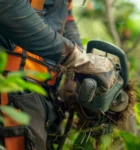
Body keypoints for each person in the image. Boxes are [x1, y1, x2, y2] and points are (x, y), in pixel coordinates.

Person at [0, 0, 118, 149]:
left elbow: (64, 15)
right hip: (9, 83)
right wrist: (75, 57)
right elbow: (6, 5)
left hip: (43, 91)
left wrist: (76, 69)